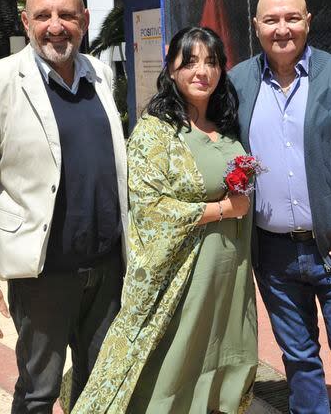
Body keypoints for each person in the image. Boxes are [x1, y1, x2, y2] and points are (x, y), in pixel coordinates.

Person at [0, 0, 128, 413]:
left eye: (67, 15)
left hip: (107, 271)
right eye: (44, 16)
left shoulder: (101, 76)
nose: (56, 26)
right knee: (37, 392)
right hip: (43, 275)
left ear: (84, 21)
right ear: (27, 22)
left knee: (102, 388)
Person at [73, 27, 258, 413]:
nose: (201, 71)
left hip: (229, 273)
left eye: (211, 62)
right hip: (182, 279)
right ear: (171, 71)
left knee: (221, 355)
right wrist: (224, 209)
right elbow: (150, 210)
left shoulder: (226, 127)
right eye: (189, 62)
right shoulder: (156, 132)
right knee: (174, 364)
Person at [229, 0, 331, 413]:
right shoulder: (238, 83)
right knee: (299, 362)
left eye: (292, 18)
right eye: (271, 20)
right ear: (256, 27)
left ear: (307, 21)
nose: (282, 29)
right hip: (274, 254)